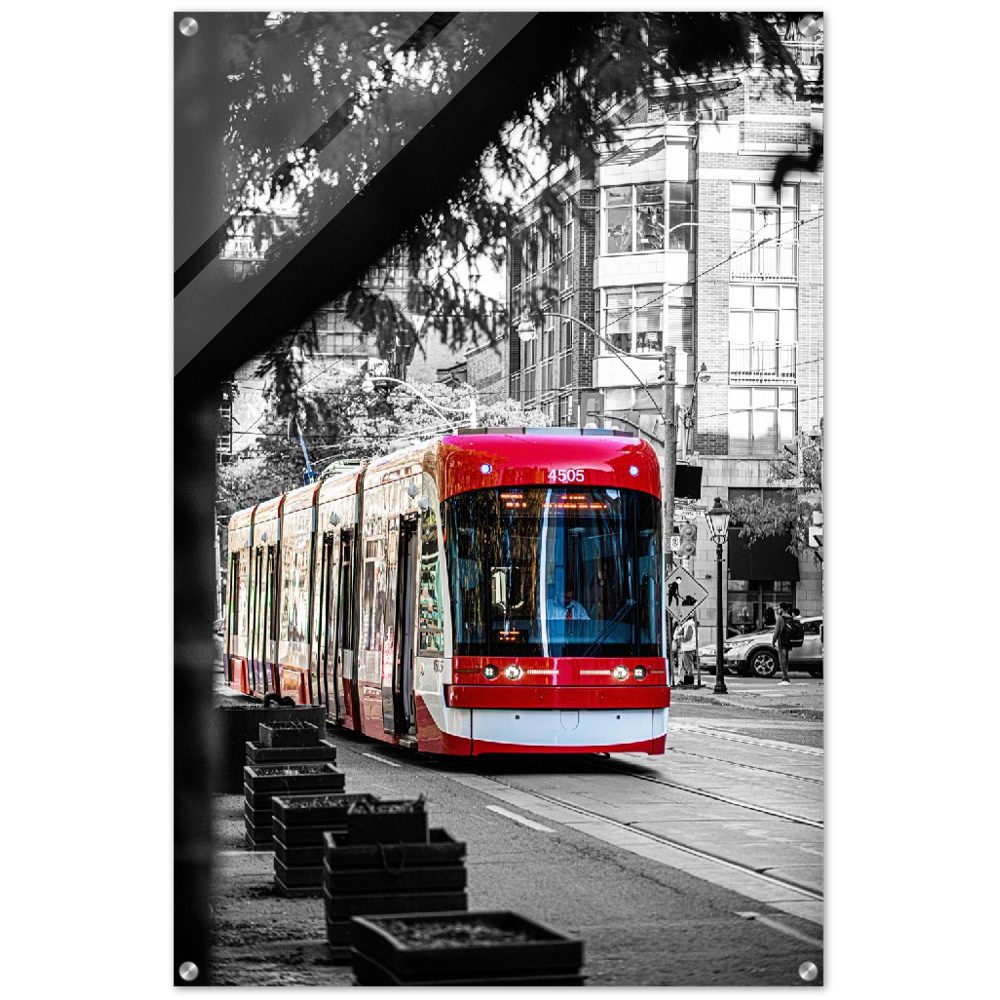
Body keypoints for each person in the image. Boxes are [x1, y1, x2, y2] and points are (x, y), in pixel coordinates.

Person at [772, 602, 792, 684]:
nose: (778, 610)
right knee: (786, 659)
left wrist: (773, 641)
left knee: (782, 659)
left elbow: (777, 631)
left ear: (782, 609)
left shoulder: (780, 618)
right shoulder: (790, 617)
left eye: (779, 608)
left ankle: (785, 678)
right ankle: (785, 676)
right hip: (788, 640)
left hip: (782, 640)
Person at [678, 616, 698, 683]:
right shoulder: (688, 625)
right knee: (686, 665)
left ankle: (689, 681)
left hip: (688, 648)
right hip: (688, 647)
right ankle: (687, 681)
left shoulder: (689, 625)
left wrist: (680, 638)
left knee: (688, 665)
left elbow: (687, 637)